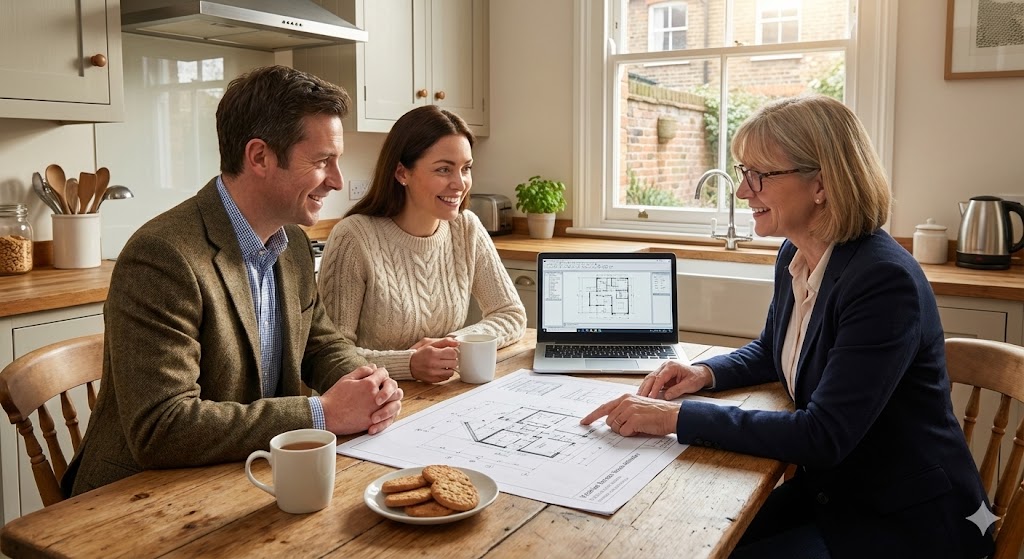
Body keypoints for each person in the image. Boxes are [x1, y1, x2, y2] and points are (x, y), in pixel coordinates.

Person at [581, 95, 995, 559]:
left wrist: (673, 418)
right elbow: (773, 349)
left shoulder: (883, 281)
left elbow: (824, 435)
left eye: (759, 175)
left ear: (821, 183)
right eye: (743, 173)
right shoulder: (796, 253)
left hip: (903, 517)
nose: (742, 192)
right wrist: (704, 374)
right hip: (835, 490)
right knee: (680, 541)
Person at [62, 65, 403, 497]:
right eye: (322, 162)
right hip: (139, 497)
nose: (336, 180)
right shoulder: (162, 256)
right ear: (259, 157)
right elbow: (162, 427)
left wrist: (369, 384)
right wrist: (321, 413)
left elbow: (319, 342)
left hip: (244, 473)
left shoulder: (293, 242)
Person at [318, 105, 526, 383]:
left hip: (436, 396)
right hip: (371, 404)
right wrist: (409, 364)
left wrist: (454, 343)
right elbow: (329, 357)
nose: (459, 183)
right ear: (402, 173)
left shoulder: (466, 228)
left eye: (466, 168)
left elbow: (510, 313)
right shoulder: (354, 237)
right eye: (443, 169)